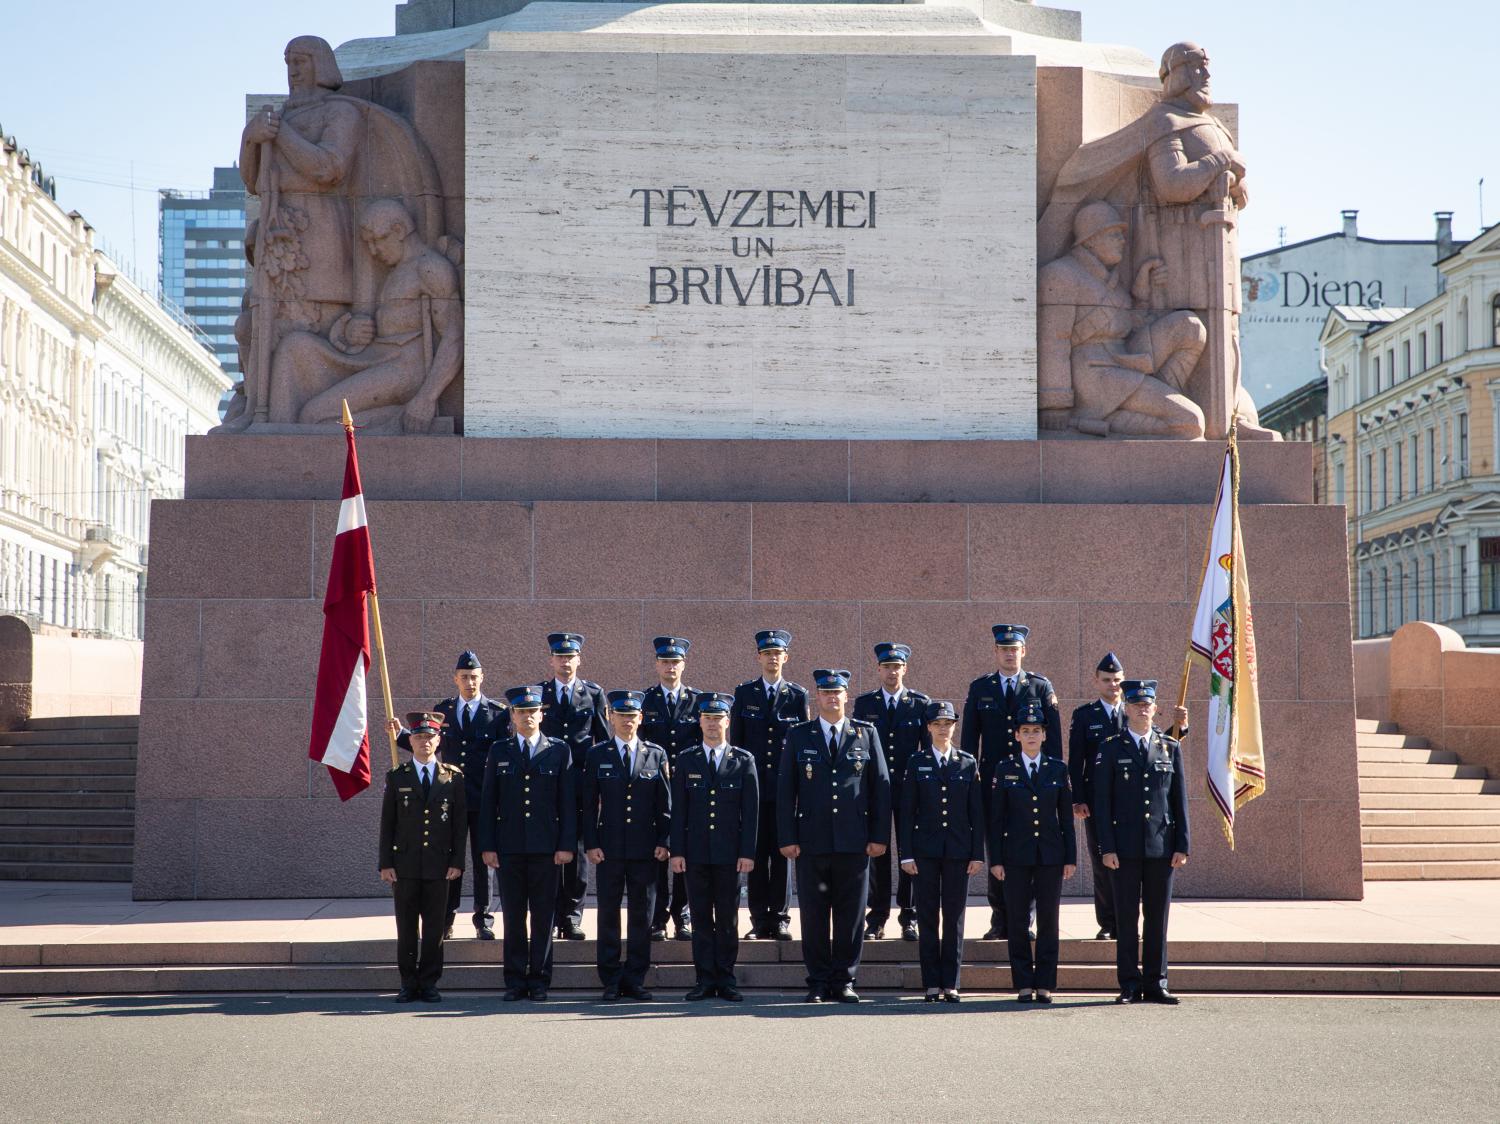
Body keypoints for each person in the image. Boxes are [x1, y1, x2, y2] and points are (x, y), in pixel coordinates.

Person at [778, 669, 891, 1003]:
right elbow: (786, 791)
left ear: (846, 696)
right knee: (813, 914)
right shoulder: (800, 735)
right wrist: (787, 837)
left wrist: (879, 835)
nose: (831, 698)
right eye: (825, 693)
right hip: (811, 841)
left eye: (837, 692)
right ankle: (817, 980)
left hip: (854, 840)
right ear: (818, 697)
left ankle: (844, 980)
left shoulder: (866, 734)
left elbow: (880, 790)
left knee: (851, 915)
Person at [389, 649, 508, 940]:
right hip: (450, 798)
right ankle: (446, 918)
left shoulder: (497, 713)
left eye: (474, 677)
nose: (470, 682)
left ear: (483, 678)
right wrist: (400, 734)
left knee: (485, 862)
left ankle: (484, 918)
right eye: (464, 677)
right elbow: (430, 743)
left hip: (483, 800)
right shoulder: (443, 711)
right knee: (450, 861)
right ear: (455, 679)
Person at [1069, 653, 1189, 941]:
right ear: (1096, 681)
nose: (1113, 685)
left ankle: (1127, 920)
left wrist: (1179, 728)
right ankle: (1109, 922)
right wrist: (1078, 798)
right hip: (1098, 802)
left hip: (1130, 803)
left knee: (1129, 865)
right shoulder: (1085, 715)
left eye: (1117, 681)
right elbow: (1076, 761)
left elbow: (1159, 744)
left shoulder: (1135, 709)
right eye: (1107, 680)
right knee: (1102, 861)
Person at [961, 624, 1062, 939]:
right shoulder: (981, 688)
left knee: (1028, 849)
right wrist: (968, 781)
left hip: (1032, 785)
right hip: (993, 783)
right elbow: (969, 740)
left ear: (1023, 651)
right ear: (995, 651)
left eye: (1014, 648)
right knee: (998, 850)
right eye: (1003, 648)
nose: (1009, 653)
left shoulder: (1040, 687)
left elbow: (1054, 741)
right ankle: (999, 920)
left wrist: (1056, 781)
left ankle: (1024, 921)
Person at [1094, 679, 1189, 1005]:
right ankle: (1129, 984)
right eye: (1136, 705)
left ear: (1156, 708)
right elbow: (1102, 803)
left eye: (1147, 704)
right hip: (1123, 849)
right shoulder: (1110, 747)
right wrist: (1106, 847)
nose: (1142, 709)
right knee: (1126, 918)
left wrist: (1182, 845)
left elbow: (1179, 800)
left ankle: (1156, 981)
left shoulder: (1169, 746)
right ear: (1126, 708)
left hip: (1161, 848)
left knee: (1157, 917)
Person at [480, 686, 576, 1002]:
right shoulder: (500, 750)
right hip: (509, 848)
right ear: (513, 715)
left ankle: (539, 981)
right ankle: (515, 980)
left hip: (547, 849)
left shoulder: (559, 750)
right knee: (514, 915)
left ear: (541, 714)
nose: (528, 717)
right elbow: (488, 801)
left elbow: (567, 802)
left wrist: (566, 845)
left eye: (533, 711)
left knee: (543, 916)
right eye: (521, 712)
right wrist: (488, 845)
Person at [582, 690, 672, 1002]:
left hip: (645, 850)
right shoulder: (598, 754)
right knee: (608, 913)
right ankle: (609, 979)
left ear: (641, 719)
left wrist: (665, 841)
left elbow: (665, 804)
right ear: (610, 717)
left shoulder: (655, 754)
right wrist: (590, 843)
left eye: (632, 716)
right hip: (608, 849)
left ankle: (635, 978)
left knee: (641, 916)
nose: (627, 721)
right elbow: (589, 804)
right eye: (621, 716)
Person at [670, 693, 759, 1002]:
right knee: (700, 917)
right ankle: (704, 979)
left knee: (727, 918)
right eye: (707, 718)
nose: (712, 724)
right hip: (694, 854)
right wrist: (677, 851)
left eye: (717, 718)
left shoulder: (743, 760)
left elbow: (751, 813)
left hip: (729, 854)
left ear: (727, 721)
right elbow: (678, 810)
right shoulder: (686, 759)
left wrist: (747, 852)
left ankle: (727, 978)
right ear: (700, 722)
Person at [989, 702, 1077, 1004]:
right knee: (1017, 920)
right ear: (1016, 735)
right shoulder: (1005, 769)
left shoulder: (1057, 768)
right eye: (1025, 731)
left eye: (1036, 731)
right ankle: (1024, 983)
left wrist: (1070, 857)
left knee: (1049, 920)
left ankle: (1045, 983)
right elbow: (996, 819)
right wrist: (996, 859)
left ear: (1044, 735)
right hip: (1015, 856)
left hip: (1051, 856)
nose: (1030, 736)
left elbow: (1065, 818)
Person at [898, 701, 983, 1003]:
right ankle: (932, 982)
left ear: (954, 727)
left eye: (949, 723)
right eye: (938, 723)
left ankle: (952, 982)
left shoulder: (967, 762)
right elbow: (907, 812)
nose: (944, 728)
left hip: (959, 852)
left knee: (954, 917)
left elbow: (977, 813)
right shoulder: (916, 762)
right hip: (925, 852)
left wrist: (977, 853)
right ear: (929, 727)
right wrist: (906, 854)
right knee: (928, 917)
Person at [378, 711, 466, 1003]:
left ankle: (429, 983)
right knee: (406, 927)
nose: (424, 742)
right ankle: (407, 982)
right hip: (404, 865)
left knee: (434, 929)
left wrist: (457, 862)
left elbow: (458, 825)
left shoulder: (452, 777)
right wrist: (385, 863)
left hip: (440, 866)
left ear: (438, 740)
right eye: (419, 737)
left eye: (430, 737)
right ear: (410, 741)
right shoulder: (397, 776)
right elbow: (387, 823)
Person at [731, 629, 809, 941]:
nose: (772, 658)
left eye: (778, 653)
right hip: (753, 790)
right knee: (756, 852)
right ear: (759, 657)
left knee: (782, 855)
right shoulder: (744, 693)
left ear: (786, 658)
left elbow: (803, 744)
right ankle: (759, 919)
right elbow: (736, 744)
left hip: (784, 790)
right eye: (767, 654)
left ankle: (780, 918)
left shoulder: (797, 695)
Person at [852, 642, 931, 942]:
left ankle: (909, 917)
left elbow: (926, 750)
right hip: (876, 792)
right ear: (879, 669)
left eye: (897, 666)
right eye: (887, 666)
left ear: (905, 669)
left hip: (911, 791)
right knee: (878, 855)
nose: (892, 671)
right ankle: (877, 918)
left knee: (908, 853)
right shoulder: (865, 705)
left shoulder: (920, 704)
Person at [539, 631, 608, 941]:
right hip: (547, 784)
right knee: (551, 849)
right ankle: (552, 914)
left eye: (571, 656)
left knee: (578, 851)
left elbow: (604, 741)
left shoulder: (593, 694)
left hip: (581, 782)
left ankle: (572, 916)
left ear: (579, 660)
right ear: (551, 660)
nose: (565, 661)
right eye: (560, 656)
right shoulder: (539, 694)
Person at [640, 636, 700, 942]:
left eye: (675, 661)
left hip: (689, 790)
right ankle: (658, 917)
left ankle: (683, 915)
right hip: (653, 791)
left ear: (683, 665)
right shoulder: (645, 701)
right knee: (659, 853)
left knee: (685, 853)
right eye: (665, 661)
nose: (670, 667)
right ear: (657, 665)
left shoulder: (698, 701)